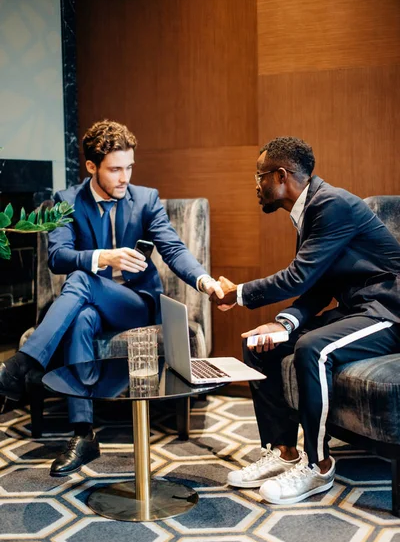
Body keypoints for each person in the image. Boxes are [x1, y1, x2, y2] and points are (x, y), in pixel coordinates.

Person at [0, 119, 224, 476]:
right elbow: (57, 256)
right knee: (83, 316)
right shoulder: (67, 202)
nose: (124, 178)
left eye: (129, 167)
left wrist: (204, 280)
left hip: (135, 304)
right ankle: (83, 434)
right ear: (92, 167)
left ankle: (22, 366)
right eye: (115, 169)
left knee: (81, 280)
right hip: (90, 305)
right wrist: (104, 256)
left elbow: (172, 247)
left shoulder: (145, 199)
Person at [212, 136, 400, 505]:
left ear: (281, 176)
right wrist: (282, 324)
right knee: (260, 345)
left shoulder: (331, 205)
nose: (256, 185)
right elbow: (318, 285)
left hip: (388, 310)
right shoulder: (310, 209)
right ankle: (282, 451)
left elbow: (298, 276)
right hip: (357, 309)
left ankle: (318, 466)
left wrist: (238, 293)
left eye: (259, 175)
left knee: (312, 349)